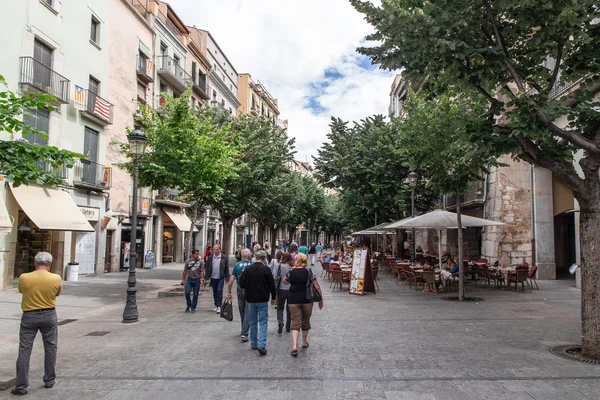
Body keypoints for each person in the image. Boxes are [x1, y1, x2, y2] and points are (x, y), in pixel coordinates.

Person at [12, 252, 62, 395]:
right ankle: (49, 379)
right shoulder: (56, 278)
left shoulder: (24, 277)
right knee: (51, 347)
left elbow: (22, 290)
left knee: (24, 350)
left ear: (35, 263)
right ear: (49, 264)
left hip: (29, 315)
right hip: (49, 315)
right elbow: (57, 293)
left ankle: (21, 386)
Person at [284, 253, 323, 357]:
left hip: (293, 299)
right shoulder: (309, 271)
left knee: (295, 322)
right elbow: (317, 286)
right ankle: (304, 342)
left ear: (298, 260)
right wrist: (320, 299)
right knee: (305, 321)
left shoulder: (291, 271)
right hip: (307, 299)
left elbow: (285, 282)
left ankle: (294, 346)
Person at [239, 250, 276, 356]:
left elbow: (241, 284)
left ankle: (254, 343)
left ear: (255, 257)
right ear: (264, 259)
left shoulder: (248, 269)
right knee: (263, 321)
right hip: (263, 299)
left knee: (252, 321)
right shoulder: (266, 269)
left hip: (250, 299)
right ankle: (262, 344)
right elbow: (271, 285)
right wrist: (273, 297)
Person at [227, 249, 252, 342]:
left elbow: (231, 279)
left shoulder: (237, 265)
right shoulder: (252, 264)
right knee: (248, 311)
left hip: (240, 289)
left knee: (242, 309)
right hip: (250, 289)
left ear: (241, 256)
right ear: (249, 255)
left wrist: (229, 291)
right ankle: (244, 333)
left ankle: (243, 328)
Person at [205, 244, 229, 314]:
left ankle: (219, 306)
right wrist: (207, 278)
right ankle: (216, 304)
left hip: (220, 277)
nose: (215, 251)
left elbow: (226, 268)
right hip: (213, 277)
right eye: (214, 249)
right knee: (215, 292)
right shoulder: (210, 257)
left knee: (219, 291)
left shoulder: (224, 257)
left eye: (217, 249)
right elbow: (207, 268)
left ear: (219, 249)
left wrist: (227, 277)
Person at [274, 252, 292, 334]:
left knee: (280, 308)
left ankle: (280, 322)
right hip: (290, 290)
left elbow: (275, 276)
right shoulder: (291, 267)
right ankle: (288, 326)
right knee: (289, 309)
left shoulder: (279, 266)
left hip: (281, 289)